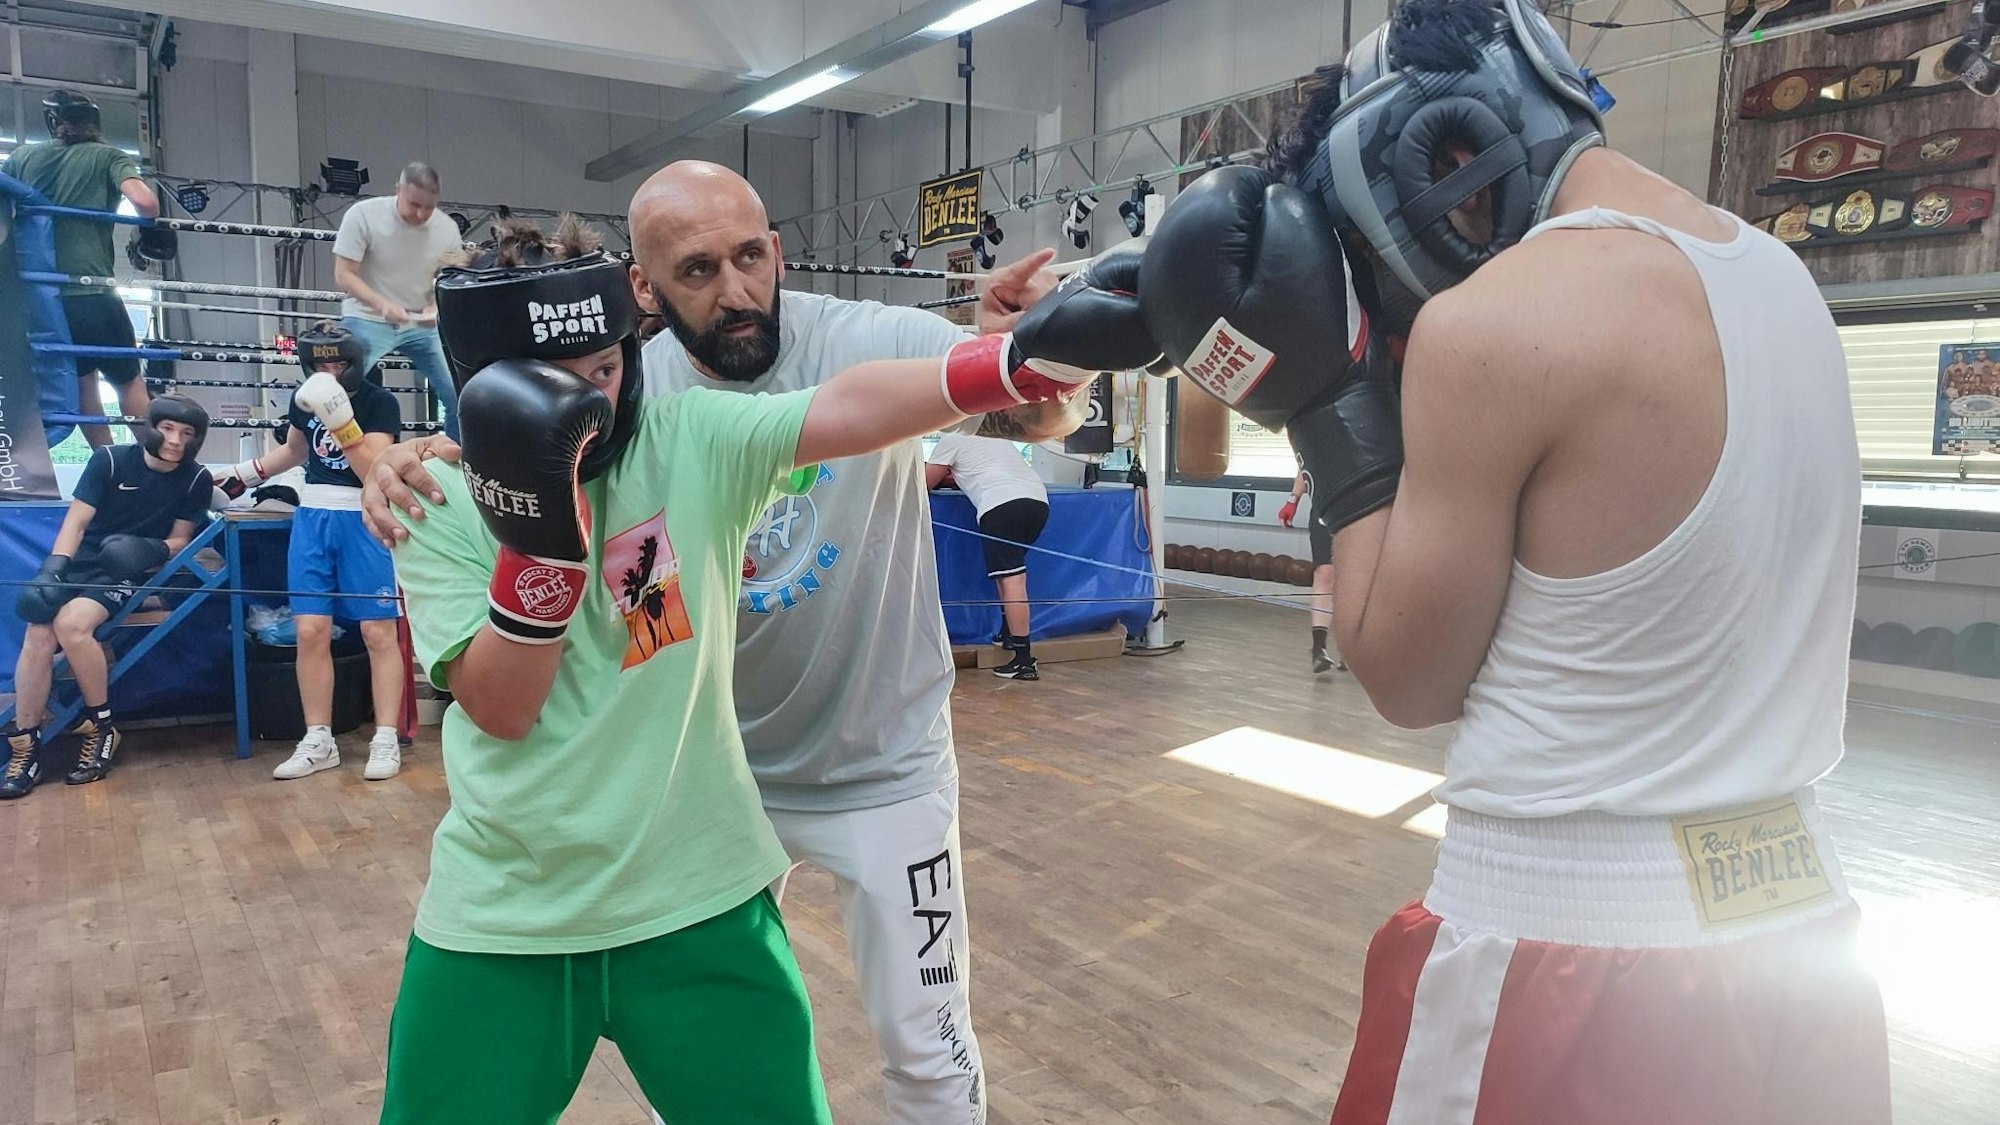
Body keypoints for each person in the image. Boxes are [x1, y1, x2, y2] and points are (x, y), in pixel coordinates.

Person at [1136, 0, 1891, 1119]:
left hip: (1575, 954)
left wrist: (1325, 406)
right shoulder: (1779, 282)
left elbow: (1402, 676)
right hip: (1799, 944)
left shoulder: (1494, 328)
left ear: (1438, 161)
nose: (1394, 310)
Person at [362, 163, 1153, 1125]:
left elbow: (857, 406)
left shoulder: (692, 428)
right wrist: (534, 527)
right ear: (647, 295)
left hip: (790, 814)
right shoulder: (441, 497)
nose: (590, 408)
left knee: (920, 1043)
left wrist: (1031, 358)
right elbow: (505, 706)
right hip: (582, 861)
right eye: (697, 270)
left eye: (605, 373)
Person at [215, 322, 405, 781]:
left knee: (378, 633)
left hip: (362, 517)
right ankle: (319, 739)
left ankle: (385, 738)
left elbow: (372, 471)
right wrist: (240, 474)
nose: (331, 371)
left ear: (355, 361)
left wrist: (341, 417)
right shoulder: (304, 400)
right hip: (313, 518)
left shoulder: (380, 402)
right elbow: (294, 453)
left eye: (339, 362)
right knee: (310, 631)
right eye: (322, 364)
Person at [2, 395, 213, 799]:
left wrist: (150, 550)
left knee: (72, 625)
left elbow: (180, 538)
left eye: (187, 433)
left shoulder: (195, 479)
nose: (175, 440)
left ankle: (100, 726)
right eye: (168, 429)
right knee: (38, 629)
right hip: (82, 560)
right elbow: (76, 522)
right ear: (150, 426)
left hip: (128, 568)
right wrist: (54, 567)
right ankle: (25, 743)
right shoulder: (110, 461)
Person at [1, 90, 159, 448]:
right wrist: (147, 227)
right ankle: (160, 465)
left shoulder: (24, 156)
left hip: (43, 300)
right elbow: (145, 202)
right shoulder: (107, 156)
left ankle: (109, 466)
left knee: (84, 383)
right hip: (93, 292)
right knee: (129, 381)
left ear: (54, 123)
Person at [331, 162, 461, 438]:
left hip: (422, 326)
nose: (420, 214)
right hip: (366, 317)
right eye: (414, 204)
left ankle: (457, 464)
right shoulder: (364, 214)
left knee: (458, 392)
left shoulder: (447, 228)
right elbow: (344, 275)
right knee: (342, 392)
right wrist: (382, 304)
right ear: (398, 191)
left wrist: (436, 307)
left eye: (428, 207)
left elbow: (451, 281)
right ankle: (336, 462)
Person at [926, 432, 1051, 680]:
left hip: (1001, 506)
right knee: (1006, 573)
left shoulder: (953, 438)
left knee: (1011, 579)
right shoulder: (995, 436)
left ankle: (1024, 661)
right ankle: (1009, 634)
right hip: (1038, 503)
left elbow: (924, 483)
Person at [1278, 470, 1343, 674]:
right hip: (1326, 503)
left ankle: (1351, 647)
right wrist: (1293, 499)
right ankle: (1319, 648)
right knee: (1324, 572)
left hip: (1362, 503)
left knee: (1356, 577)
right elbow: (1305, 462)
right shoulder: (1323, 438)